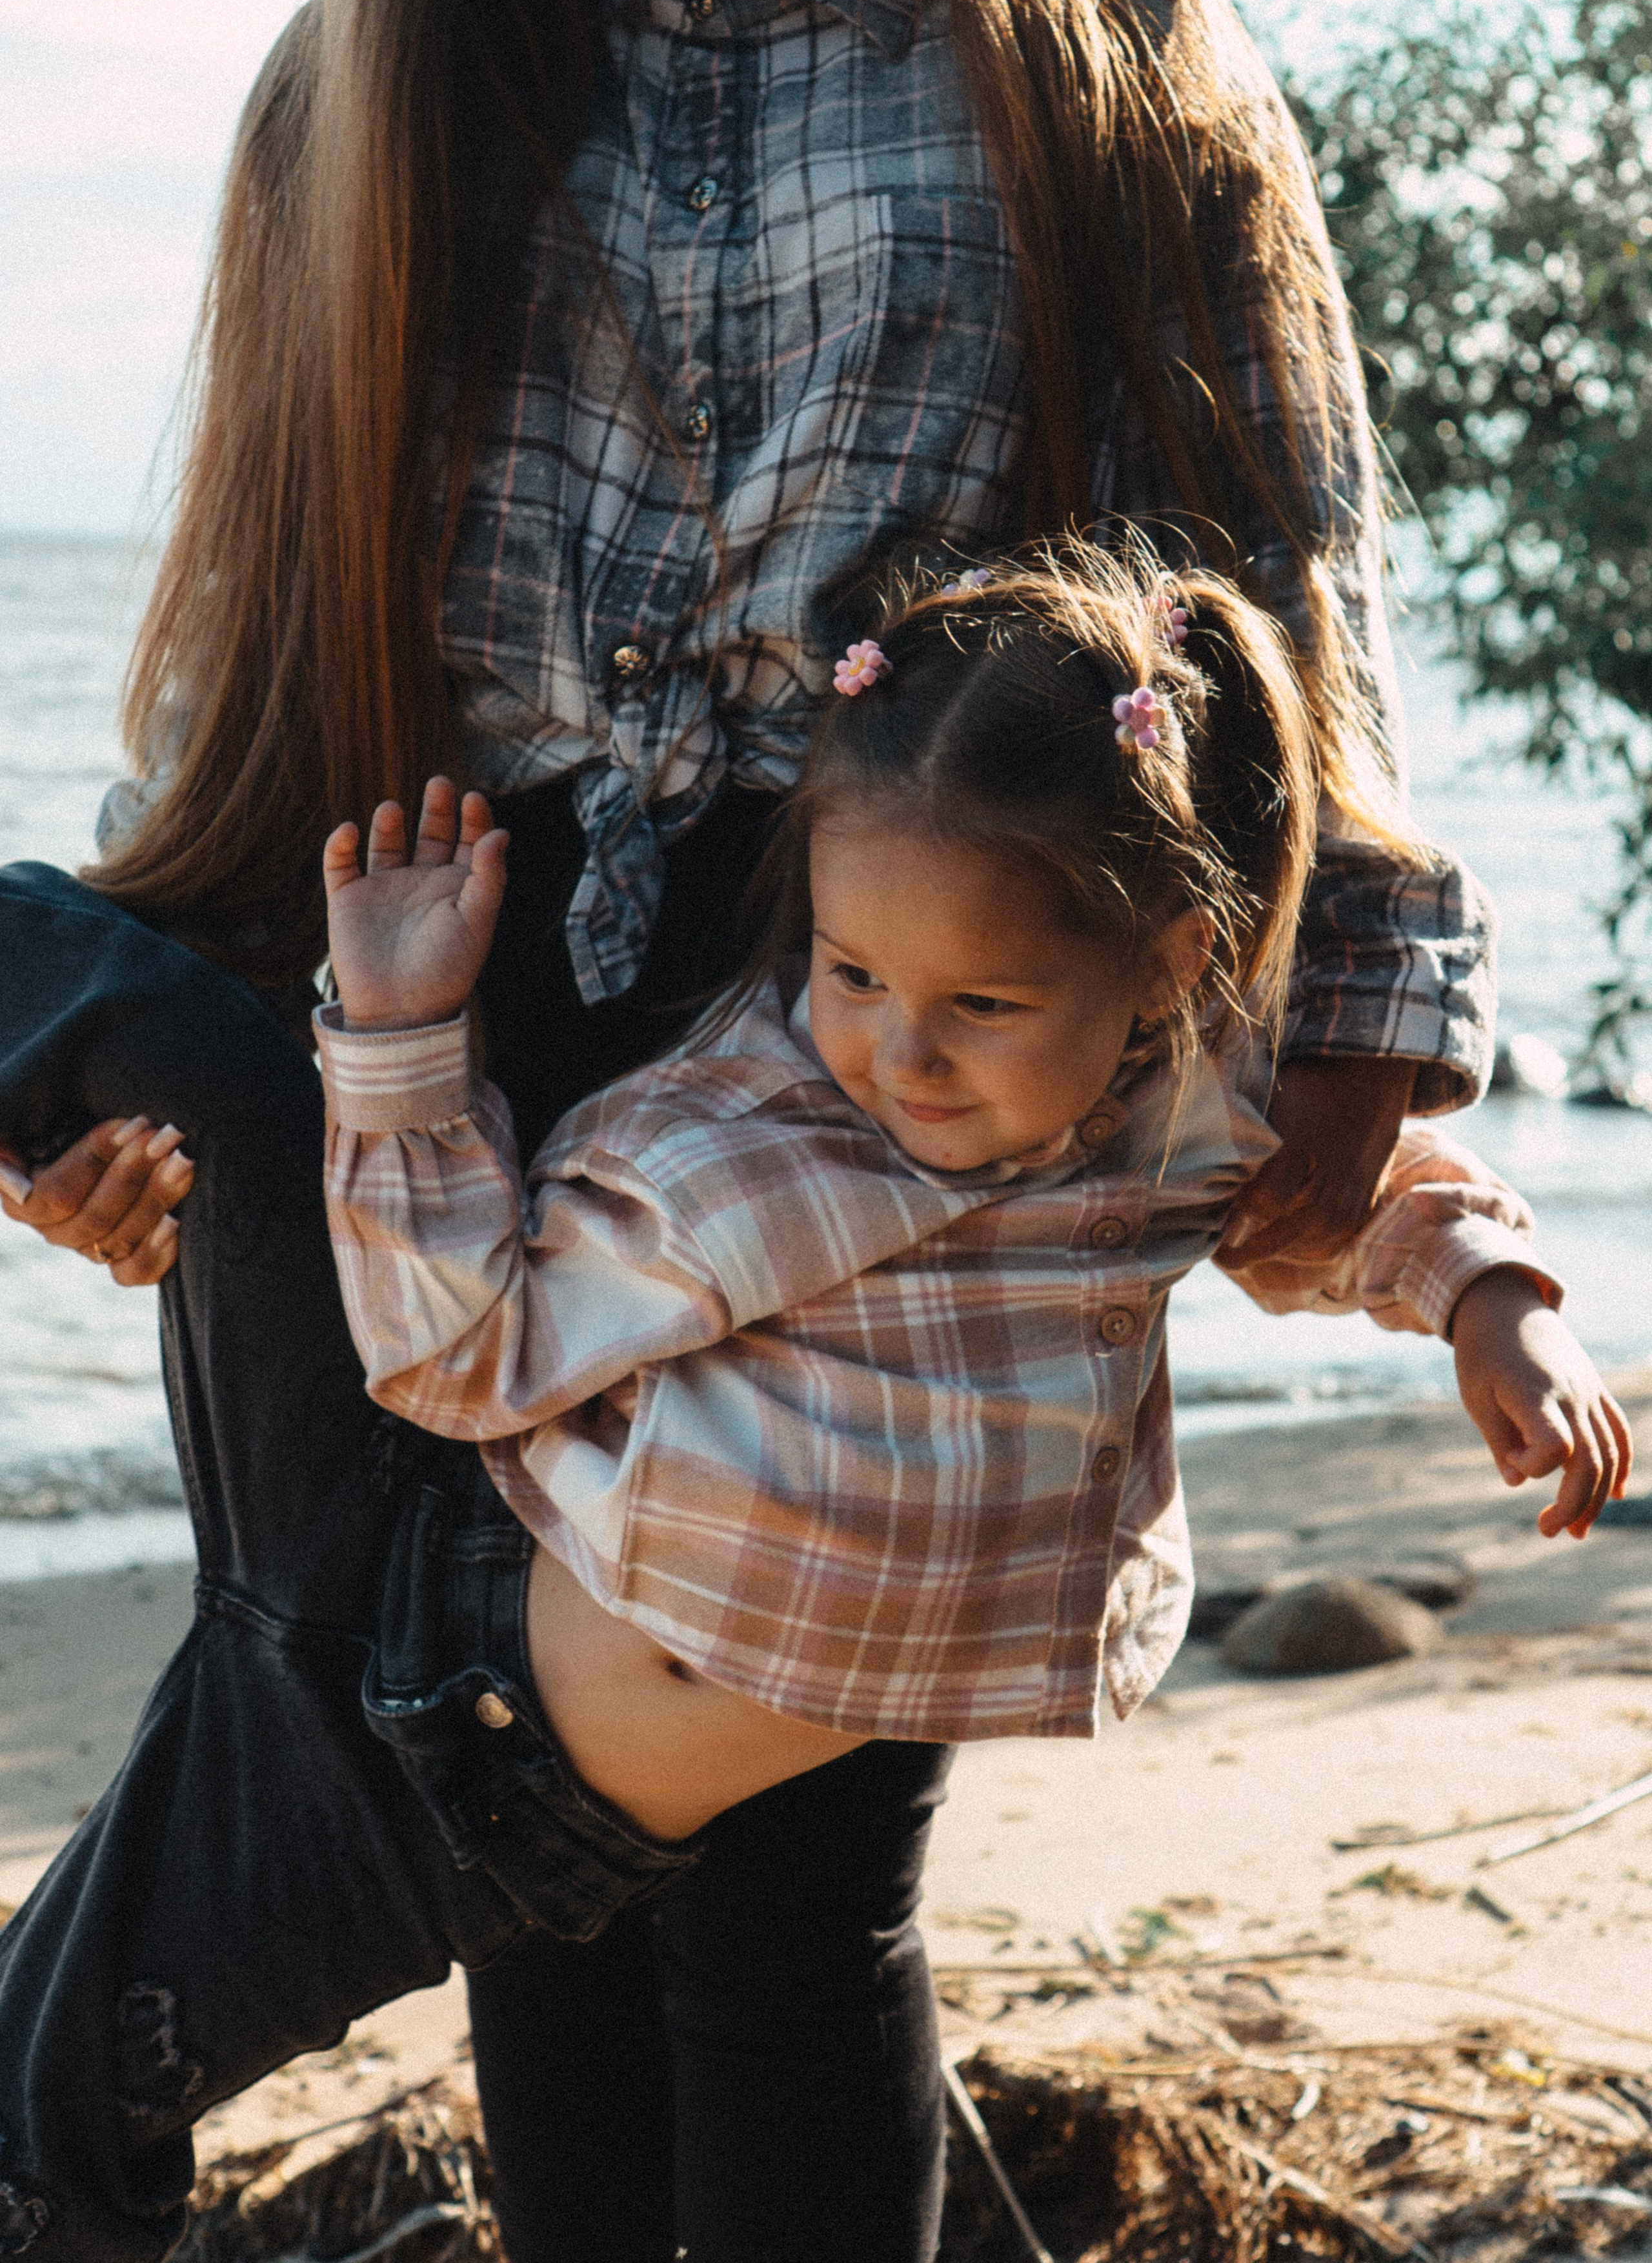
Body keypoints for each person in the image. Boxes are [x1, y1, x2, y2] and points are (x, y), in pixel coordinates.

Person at [0, 0, 1508, 2253]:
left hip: (886, 1022)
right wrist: (156, 1091)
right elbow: (277, 641)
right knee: (552, 1922)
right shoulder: (363, 74)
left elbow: (1283, 562)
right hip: (465, 999)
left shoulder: (1083, 27)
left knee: (797, 1900)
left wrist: (1351, 1020)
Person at [0, 560, 1626, 2263]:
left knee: (44, 2107)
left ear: (1166, 969)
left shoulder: (1170, 1121)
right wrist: (401, 1029)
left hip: (475, 1783)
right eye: (851, 974)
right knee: (172, 1040)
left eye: (981, 1005)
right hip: (431, 1653)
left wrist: (1497, 1311)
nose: (903, 1054)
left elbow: (1378, 1189)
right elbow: (454, 1351)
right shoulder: (748, 1139)